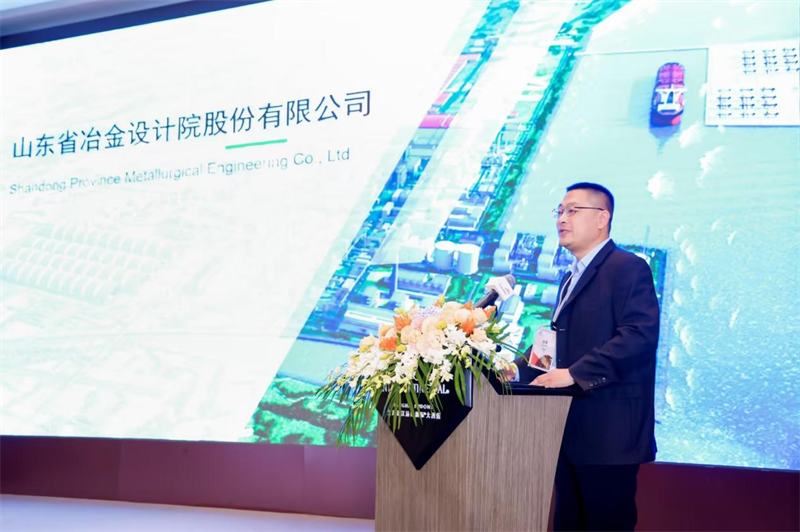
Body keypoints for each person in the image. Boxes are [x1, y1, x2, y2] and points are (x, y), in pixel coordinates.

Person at [515, 182, 660, 532]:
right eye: (560, 211)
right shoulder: (570, 278)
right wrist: (515, 370)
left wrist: (573, 374)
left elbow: (638, 336)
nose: (562, 219)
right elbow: (556, 343)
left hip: (609, 434)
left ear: (602, 218)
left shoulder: (628, 268)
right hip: (568, 432)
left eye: (573, 210)